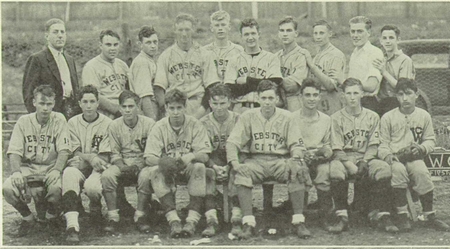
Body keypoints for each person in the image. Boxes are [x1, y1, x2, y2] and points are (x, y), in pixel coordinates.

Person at [226, 80, 311, 239]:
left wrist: (295, 158)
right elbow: (232, 142)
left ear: (277, 99)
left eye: (270, 98)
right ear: (258, 98)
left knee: (297, 169)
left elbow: (297, 144)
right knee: (242, 173)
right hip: (255, 160)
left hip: (280, 160)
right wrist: (235, 163)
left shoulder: (287, 117)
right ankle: (248, 222)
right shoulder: (248, 116)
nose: (267, 102)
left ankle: (298, 221)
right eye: (263, 98)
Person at [379, 78, 450, 232]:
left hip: (414, 156)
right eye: (400, 94)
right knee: (398, 171)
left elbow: (430, 140)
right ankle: (402, 215)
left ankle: (429, 214)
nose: (404, 98)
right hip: (395, 157)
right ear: (396, 96)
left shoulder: (423, 115)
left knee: (421, 171)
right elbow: (382, 143)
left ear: (416, 95)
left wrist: (422, 148)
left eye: (409, 94)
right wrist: (388, 156)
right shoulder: (388, 117)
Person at [328, 78, 398, 234]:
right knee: (335, 171)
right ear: (342, 96)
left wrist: (365, 161)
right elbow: (336, 147)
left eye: (355, 93)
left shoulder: (372, 116)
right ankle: (342, 215)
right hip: (344, 158)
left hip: (366, 156)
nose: (352, 97)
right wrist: (348, 164)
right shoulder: (335, 118)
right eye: (348, 93)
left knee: (384, 169)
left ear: (362, 94)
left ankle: (382, 214)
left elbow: (374, 144)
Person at [3, 85, 70, 237]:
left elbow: (64, 150)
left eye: (49, 104)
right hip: (29, 167)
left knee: (57, 189)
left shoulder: (59, 119)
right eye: (42, 103)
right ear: (34, 103)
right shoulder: (23, 121)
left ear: (54, 103)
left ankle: (50, 219)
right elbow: (14, 150)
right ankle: (29, 220)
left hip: (50, 166)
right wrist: (16, 172)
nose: (45, 108)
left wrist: (57, 170)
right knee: (7, 189)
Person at [144, 89, 212, 238]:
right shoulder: (159, 126)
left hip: (187, 167)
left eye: (179, 108)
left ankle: (191, 220)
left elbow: (205, 155)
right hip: (168, 170)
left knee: (200, 166)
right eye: (172, 108)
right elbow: (149, 157)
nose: (175, 112)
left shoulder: (195, 124)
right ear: (166, 108)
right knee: (155, 170)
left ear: (185, 107)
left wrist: (191, 156)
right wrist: (163, 162)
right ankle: (173, 220)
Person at [61, 85, 113, 243]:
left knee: (93, 187)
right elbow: (74, 150)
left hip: (99, 168)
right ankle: (72, 226)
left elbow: (104, 156)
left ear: (98, 103)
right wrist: (90, 157)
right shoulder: (72, 122)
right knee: (69, 173)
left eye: (92, 101)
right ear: (79, 103)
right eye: (85, 101)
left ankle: (95, 207)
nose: (89, 105)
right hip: (81, 166)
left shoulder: (108, 123)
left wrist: (88, 158)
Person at [101, 90, 156, 233]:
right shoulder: (114, 125)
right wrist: (122, 166)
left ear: (138, 106)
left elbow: (151, 151)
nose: (127, 110)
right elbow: (114, 152)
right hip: (122, 163)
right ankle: (113, 216)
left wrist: (139, 165)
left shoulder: (149, 124)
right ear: (119, 108)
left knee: (145, 176)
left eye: (131, 106)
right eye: (124, 107)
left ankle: (141, 215)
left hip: (143, 163)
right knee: (107, 176)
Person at [154, 13, 219, 119]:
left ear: (193, 29)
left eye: (187, 29)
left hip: (198, 104)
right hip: (174, 106)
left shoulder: (204, 54)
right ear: (174, 30)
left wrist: (201, 111)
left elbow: (211, 87)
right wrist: (166, 110)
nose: (184, 34)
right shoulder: (166, 55)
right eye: (180, 30)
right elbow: (159, 88)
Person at [291, 78, 334, 229]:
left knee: (324, 172)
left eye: (315, 95)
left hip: (318, 159)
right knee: (299, 171)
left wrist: (324, 153)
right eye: (307, 95)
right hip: (299, 158)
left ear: (320, 97)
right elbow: (289, 143)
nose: (311, 99)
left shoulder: (326, 120)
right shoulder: (292, 118)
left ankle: (325, 215)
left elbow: (328, 145)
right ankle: (300, 214)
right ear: (300, 96)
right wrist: (301, 154)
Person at [200, 84, 240, 237]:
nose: (219, 107)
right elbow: (203, 152)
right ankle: (211, 220)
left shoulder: (238, 119)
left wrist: (230, 166)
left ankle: (236, 219)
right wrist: (215, 166)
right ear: (209, 103)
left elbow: (242, 149)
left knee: (237, 172)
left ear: (230, 102)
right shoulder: (203, 122)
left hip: (233, 158)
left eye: (223, 103)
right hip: (213, 159)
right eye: (215, 103)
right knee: (207, 173)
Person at [22, 18, 80, 119]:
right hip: (49, 115)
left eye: (62, 32)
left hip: (71, 114)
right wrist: (38, 119)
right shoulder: (37, 59)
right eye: (55, 32)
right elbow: (29, 94)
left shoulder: (70, 60)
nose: (60, 35)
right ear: (47, 36)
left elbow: (75, 89)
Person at [224, 18, 283, 114]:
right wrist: (262, 83)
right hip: (240, 109)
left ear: (259, 34)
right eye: (246, 34)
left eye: (253, 33)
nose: (250, 37)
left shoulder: (271, 58)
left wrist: (247, 80)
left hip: (264, 108)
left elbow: (274, 84)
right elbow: (230, 90)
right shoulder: (233, 60)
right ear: (241, 36)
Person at [82, 30, 130, 119]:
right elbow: (93, 96)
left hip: (125, 111)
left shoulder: (122, 65)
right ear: (101, 45)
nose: (112, 48)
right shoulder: (91, 66)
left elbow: (129, 90)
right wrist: (116, 110)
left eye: (115, 45)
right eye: (108, 45)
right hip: (104, 115)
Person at [304, 20, 346, 115]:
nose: (318, 37)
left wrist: (313, 67)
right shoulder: (318, 53)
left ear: (330, 34)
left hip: (331, 101)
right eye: (315, 33)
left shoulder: (336, 55)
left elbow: (331, 86)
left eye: (321, 33)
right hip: (318, 99)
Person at [373, 25, 415, 116]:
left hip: (397, 104)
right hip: (380, 104)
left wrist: (384, 72)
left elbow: (404, 88)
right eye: (384, 38)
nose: (387, 41)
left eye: (391, 38)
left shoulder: (405, 60)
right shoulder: (380, 58)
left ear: (398, 39)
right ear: (381, 41)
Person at [347, 16, 384, 114]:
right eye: (353, 31)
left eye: (359, 31)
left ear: (368, 33)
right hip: (353, 102)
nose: (355, 35)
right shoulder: (355, 53)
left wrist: (345, 82)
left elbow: (371, 86)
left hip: (367, 103)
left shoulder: (374, 52)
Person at [276, 16, 309, 112]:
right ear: (278, 34)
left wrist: (274, 80)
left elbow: (292, 86)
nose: (285, 34)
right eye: (282, 31)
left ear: (296, 34)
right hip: (279, 102)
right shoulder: (275, 56)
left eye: (289, 30)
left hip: (295, 101)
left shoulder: (302, 55)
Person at [130, 25, 159, 120]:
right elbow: (145, 97)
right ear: (140, 44)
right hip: (148, 110)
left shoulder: (150, 60)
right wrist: (152, 120)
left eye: (155, 42)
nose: (153, 46)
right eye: (148, 43)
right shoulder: (141, 62)